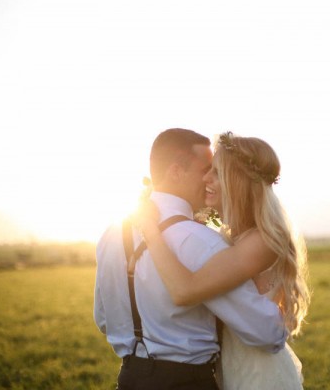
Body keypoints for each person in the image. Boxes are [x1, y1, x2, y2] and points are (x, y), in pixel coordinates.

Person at [93, 128, 287, 390]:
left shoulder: (112, 234)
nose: (208, 179)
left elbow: (104, 320)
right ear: (175, 171)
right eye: (204, 169)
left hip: (128, 379)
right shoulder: (201, 242)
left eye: (214, 171)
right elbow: (268, 333)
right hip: (186, 382)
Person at [138, 131, 311, 389]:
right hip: (232, 366)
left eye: (216, 172)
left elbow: (185, 289)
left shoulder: (261, 241)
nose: (206, 178)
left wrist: (151, 231)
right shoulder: (233, 236)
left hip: (257, 374)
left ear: (236, 181)